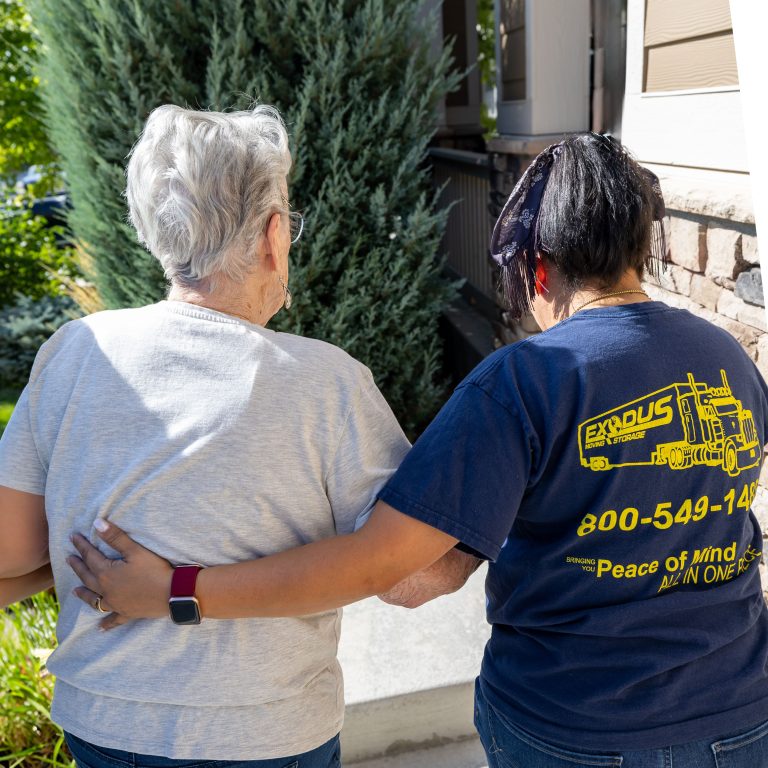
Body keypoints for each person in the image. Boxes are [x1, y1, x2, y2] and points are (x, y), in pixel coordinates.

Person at [67, 133, 768, 768]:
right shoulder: (728, 358)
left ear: (540, 269)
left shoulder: (525, 380)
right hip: (742, 713)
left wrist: (174, 592)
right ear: (637, 249)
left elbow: (393, 570)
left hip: (576, 726)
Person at [0, 103, 430, 767]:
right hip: (265, 734)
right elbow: (402, 570)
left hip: (105, 724)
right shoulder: (325, 382)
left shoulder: (75, 350)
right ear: (272, 234)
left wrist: (106, 562)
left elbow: (11, 550)